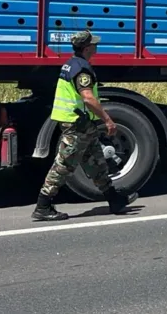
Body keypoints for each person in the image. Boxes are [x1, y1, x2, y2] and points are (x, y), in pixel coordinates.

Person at [31, 30, 138, 221]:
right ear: (87, 48)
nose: (97, 46)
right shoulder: (81, 69)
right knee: (64, 164)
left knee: (95, 160)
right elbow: (88, 98)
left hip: (82, 123)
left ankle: (115, 200)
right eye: (94, 44)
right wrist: (107, 119)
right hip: (75, 124)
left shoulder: (72, 64)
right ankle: (43, 205)